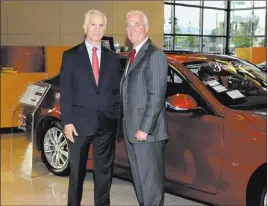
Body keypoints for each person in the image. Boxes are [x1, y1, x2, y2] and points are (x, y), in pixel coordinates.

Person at [60, 10, 121, 206]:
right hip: (78, 124)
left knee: (104, 173)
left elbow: (116, 91)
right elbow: (66, 90)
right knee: (77, 172)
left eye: (101, 25)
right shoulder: (70, 56)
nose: (97, 29)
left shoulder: (113, 58)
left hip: (106, 123)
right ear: (85, 27)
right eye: (93, 25)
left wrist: (116, 117)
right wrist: (67, 121)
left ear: (105, 28)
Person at [119, 10, 169, 206]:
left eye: (137, 24)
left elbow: (156, 96)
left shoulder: (155, 55)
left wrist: (144, 129)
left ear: (147, 28)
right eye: (128, 25)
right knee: (140, 184)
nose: (132, 29)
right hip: (132, 130)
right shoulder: (133, 55)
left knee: (151, 187)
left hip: (146, 134)